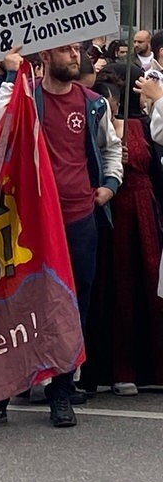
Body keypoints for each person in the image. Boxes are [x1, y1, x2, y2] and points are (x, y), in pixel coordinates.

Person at [0, 42, 122, 431]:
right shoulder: (26, 96)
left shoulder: (94, 103)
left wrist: (110, 185)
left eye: (75, 52)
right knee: (12, 303)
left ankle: (61, 393)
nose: (74, 58)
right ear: (45, 58)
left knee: (72, 306)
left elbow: (110, 150)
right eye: (64, 52)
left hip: (78, 220)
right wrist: (13, 76)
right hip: (27, 220)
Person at [82, 75, 163, 396]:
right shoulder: (92, 127)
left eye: (111, 100)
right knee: (114, 289)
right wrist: (108, 163)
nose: (108, 105)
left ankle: (152, 367)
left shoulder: (140, 126)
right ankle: (112, 368)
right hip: (110, 214)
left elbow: (156, 167)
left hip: (143, 213)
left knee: (150, 286)